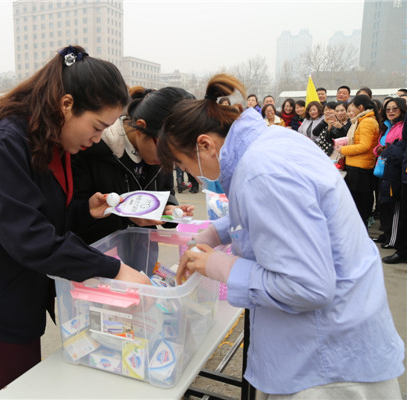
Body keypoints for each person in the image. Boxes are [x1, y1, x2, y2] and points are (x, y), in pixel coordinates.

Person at [156, 73, 404, 399]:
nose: (192, 175)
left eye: (184, 163)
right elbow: (273, 213)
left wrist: (219, 265)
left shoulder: (261, 171)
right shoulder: (269, 143)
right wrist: (216, 232)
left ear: (205, 145)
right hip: (338, 337)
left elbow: (307, 286)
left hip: (325, 366)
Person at [0, 45, 150, 400]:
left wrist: (83, 211)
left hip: (20, 294)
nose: (97, 139)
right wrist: (113, 269)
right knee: (12, 390)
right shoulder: (1, 142)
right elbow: (29, 237)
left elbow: (43, 215)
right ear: (66, 104)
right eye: (97, 127)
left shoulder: (49, 140)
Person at [71, 86, 195, 245]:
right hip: (97, 252)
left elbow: (166, 192)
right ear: (142, 127)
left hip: (143, 250)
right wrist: (125, 217)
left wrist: (168, 209)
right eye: (167, 151)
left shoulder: (160, 154)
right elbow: (70, 216)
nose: (168, 160)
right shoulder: (93, 148)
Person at [338, 95, 381, 226]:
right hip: (356, 166)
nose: (350, 112)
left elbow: (364, 146)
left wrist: (343, 150)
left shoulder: (367, 122)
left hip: (361, 169)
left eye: (352, 108)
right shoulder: (361, 120)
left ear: (360, 107)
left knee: (360, 204)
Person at [374, 98, 406, 249]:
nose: (391, 111)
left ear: (402, 109)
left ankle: (392, 239)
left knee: (393, 206)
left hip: (394, 171)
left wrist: (387, 150)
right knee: (383, 204)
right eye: (388, 109)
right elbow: (378, 146)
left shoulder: (402, 126)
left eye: (394, 108)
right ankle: (386, 234)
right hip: (382, 169)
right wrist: (379, 150)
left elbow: (400, 147)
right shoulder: (386, 126)